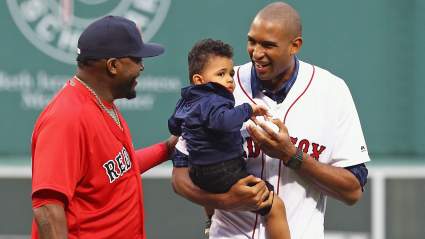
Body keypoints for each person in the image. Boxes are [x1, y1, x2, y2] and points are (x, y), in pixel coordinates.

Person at [171, 2, 370, 239]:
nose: (256, 52)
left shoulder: (332, 91)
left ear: (295, 45)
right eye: (252, 41)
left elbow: (352, 191)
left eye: (268, 45)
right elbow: (180, 175)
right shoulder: (221, 84)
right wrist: (224, 201)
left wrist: (291, 155)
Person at [31, 16, 177, 239]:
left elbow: (112, 172)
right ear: (113, 65)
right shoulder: (66, 117)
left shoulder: (101, 103)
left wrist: (166, 149)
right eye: (136, 59)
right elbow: (48, 208)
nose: (142, 66)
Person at [168, 39, 290, 239]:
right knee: (276, 207)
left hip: (199, 172)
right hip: (223, 169)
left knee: (208, 185)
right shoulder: (214, 98)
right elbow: (223, 121)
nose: (229, 79)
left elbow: (174, 124)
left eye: (231, 74)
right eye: (221, 74)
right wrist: (247, 109)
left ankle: (210, 221)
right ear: (199, 80)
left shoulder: (187, 101)